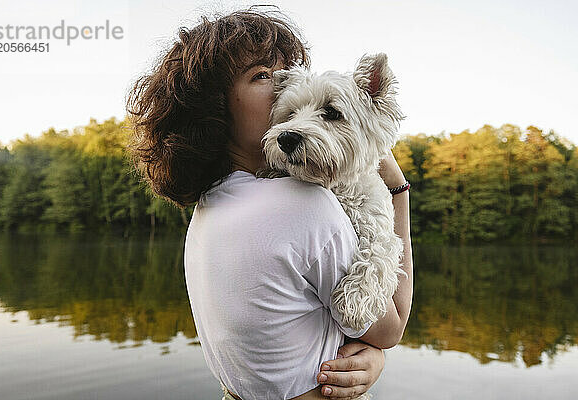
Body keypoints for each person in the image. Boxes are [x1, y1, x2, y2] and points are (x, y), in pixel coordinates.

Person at [126, 6, 413, 399]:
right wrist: (398, 190)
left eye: (283, 73)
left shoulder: (211, 207)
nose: (280, 84)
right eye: (263, 76)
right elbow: (388, 327)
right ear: (214, 106)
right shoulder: (303, 204)